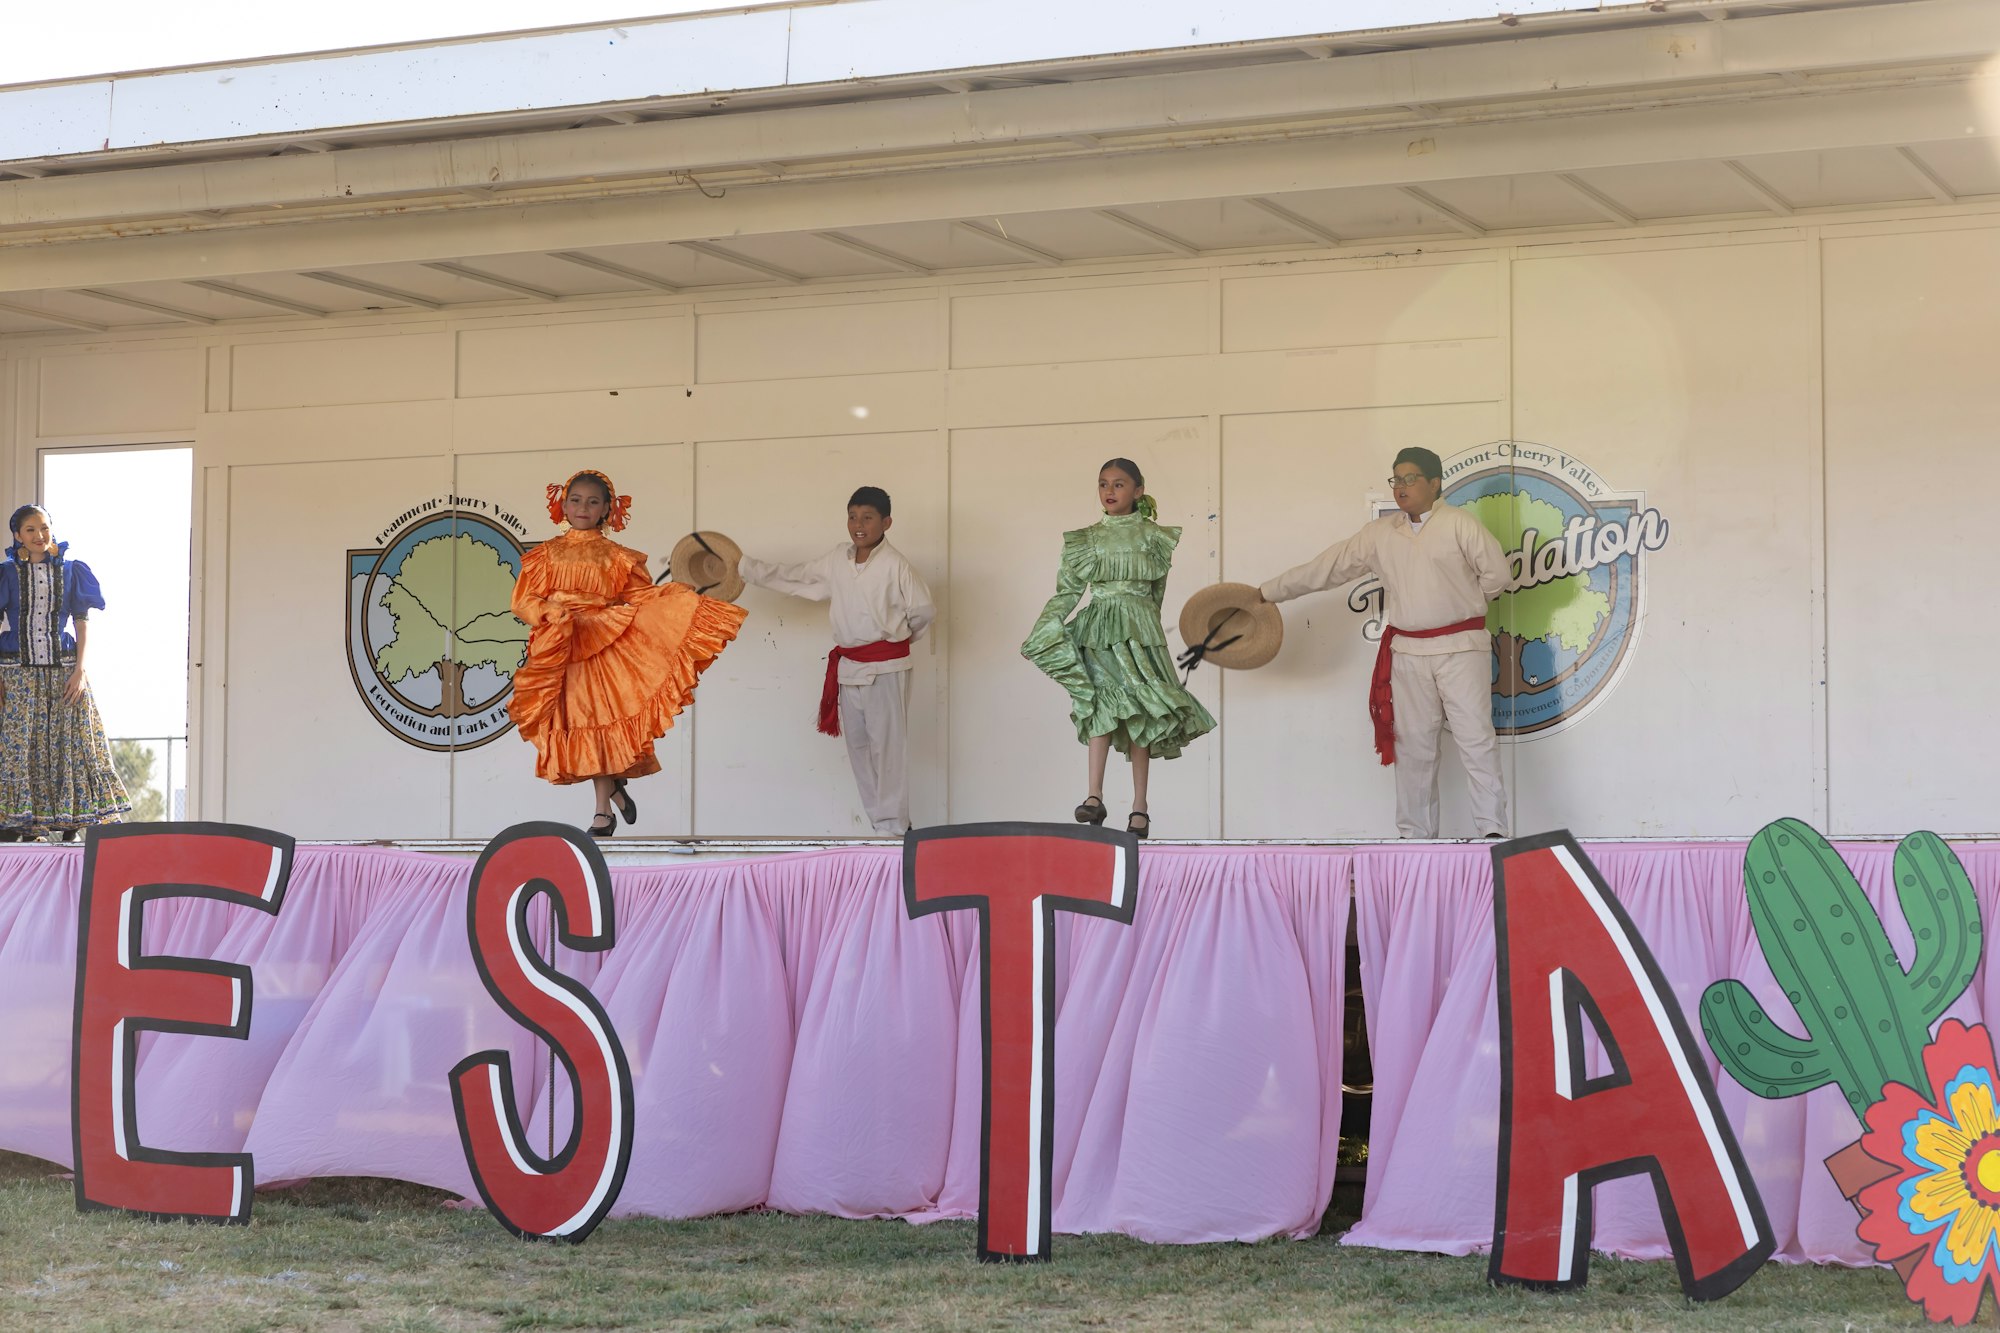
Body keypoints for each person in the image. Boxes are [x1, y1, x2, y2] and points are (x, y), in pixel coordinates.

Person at [1257, 447, 1509, 839]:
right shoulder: (1380, 534)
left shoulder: (1461, 524)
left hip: (1461, 647)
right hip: (1408, 651)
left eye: (1410, 479)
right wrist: (1266, 592)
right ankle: (1414, 839)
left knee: (1476, 740)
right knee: (1413, 751)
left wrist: (1461, 605)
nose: (1401, 487)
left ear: (1435, 483)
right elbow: (1327, 568)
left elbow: (1497, 576)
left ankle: (1493, 833)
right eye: (1396, 480)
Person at [509, 469, 746, 837]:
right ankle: (615, 789)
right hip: (561, 645)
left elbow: (640, 598)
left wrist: (677, 599)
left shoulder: (618, 557)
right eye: (576, 500)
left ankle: (602, 812)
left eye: (592, 501)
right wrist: (547, 612)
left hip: (603, 642)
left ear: (607, 509)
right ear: (563, 505)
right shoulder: (545, 555)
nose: (583, 507)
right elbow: (523, 601)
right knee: (577, 724)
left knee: (596, 722)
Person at [1021, 458, 1214, 838]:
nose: (1110, 492)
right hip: (1099, 628)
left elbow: (1156, 594)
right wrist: (1047, 625)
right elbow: (1068, 592)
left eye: (1119, 484)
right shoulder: (1086, 538)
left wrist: (1147, 633)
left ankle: (1139, 806)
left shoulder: (1154, 537)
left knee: (1142, 709)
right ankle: (1094, 795)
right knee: (1099, 702)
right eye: (1103, 484)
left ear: (1138, 490)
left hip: (1140, 628)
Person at [739, 486, 935, 836]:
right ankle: (879, 825)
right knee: (859, 749)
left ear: (886, 522)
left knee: (888, 750)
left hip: (886, 667)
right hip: (848, 669)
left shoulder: (896, 565)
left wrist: (894, 642)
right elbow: (796, 576)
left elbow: (922, 611)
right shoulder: (836, 560)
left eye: (868, 517)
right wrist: (743, 568)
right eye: (852, 516)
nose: (858, 524)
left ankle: (894, 829)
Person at [0, 504, 132, 841]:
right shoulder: (6, 573)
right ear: (17, 535)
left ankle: (70, 822)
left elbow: (81, 621)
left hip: (64, 669)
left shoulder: (71, 571)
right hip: (17, 672)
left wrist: (80, 670)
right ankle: (24, 824)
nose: (39, 535)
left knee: (71, 743)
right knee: (20, 745)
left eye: (43, 528)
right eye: (30, 529)